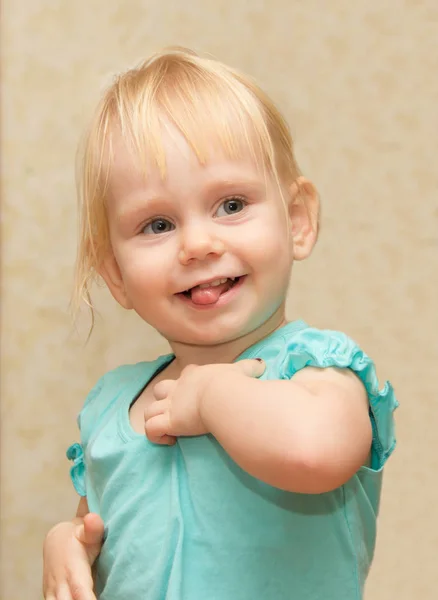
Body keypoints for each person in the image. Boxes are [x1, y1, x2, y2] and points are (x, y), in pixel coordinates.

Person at [42, 47, 398, 600]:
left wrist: (212, 397)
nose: (198, 244)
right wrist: (69, 542)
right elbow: (101, 523)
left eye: (231, 205)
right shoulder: (111, 406)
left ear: (297, 220)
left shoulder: (317, 372)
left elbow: (314, 452)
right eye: (157, 223)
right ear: (115, 273)